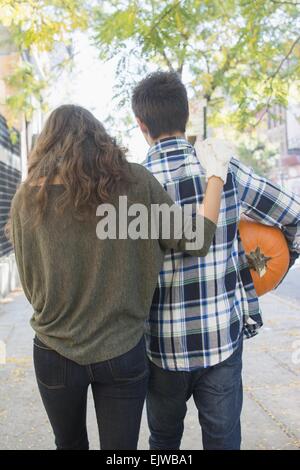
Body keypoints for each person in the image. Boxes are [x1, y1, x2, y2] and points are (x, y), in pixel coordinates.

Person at [8, 104, 229, 450]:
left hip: (54, 351)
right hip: (122, 352)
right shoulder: (135, 184)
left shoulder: (27, 201)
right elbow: (198, 238)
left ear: (45, 144)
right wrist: (216, 174)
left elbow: (31, 286)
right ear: (100, 138)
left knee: (67, 444)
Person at [132, 71, 300, 450]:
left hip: (160, 347)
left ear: (140, 124)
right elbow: (293, 215)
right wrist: (270, 270)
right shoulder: (225, 172)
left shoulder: (135, 185)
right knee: (223, 441)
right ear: (187, 114)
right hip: (221, 339)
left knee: (163, 440)